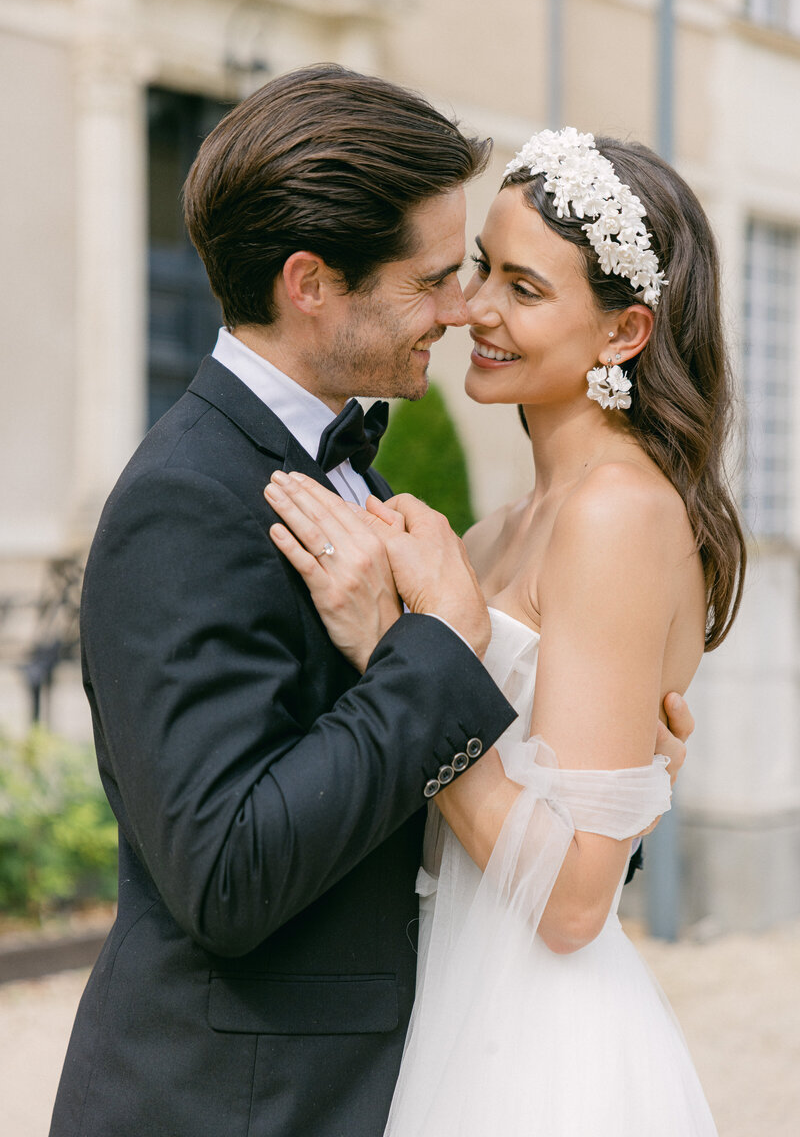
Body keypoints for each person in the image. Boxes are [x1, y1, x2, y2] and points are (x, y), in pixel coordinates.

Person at [50, 65, 692, 1137]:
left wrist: (613, 790)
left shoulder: (370, 491)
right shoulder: (186, 499)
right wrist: (425, 649)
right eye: (438, 276)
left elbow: (461, 815)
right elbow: (225, 876)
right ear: (310, 284)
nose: (460, 310)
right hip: (233, 1109)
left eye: (493, 279)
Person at [264, 127, 746, 1135]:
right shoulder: (488, 536)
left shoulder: (618, 513)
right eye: (483, 265)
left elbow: (573, 903)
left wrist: (398, 650)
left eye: (524, 290)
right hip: (448, 986)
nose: (475, 307)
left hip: (538, 1045)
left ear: (621, 335)